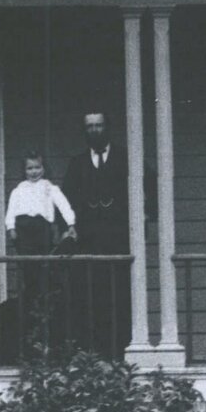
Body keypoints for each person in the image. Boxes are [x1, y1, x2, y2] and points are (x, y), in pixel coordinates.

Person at [59, 111, 131, 355]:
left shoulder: (126, 158)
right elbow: (64, 201)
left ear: (107, 127)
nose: (94, 131)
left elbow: (149, 189)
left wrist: (144, 216)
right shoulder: (77, 164)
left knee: (118, 299)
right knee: (90, 300)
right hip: (88, 245)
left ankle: (118, 353)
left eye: (99, 125)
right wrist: (68, 228)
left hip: (118, 244)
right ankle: (92, 355)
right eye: (89, 126)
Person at [6, 151, 77, 353]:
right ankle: (31, 290)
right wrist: (11, 227)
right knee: (29, 268)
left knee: (43, 266)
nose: (34, 171)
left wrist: (70, 223)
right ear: (24, 170)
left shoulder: (49, 188)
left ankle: (40, 295)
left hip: (42, 228)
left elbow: (63, 205)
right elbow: (11, 210)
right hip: (23, 228)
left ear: (44, 168)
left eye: (37, 167)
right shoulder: (19, 190)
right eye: (29, 168)